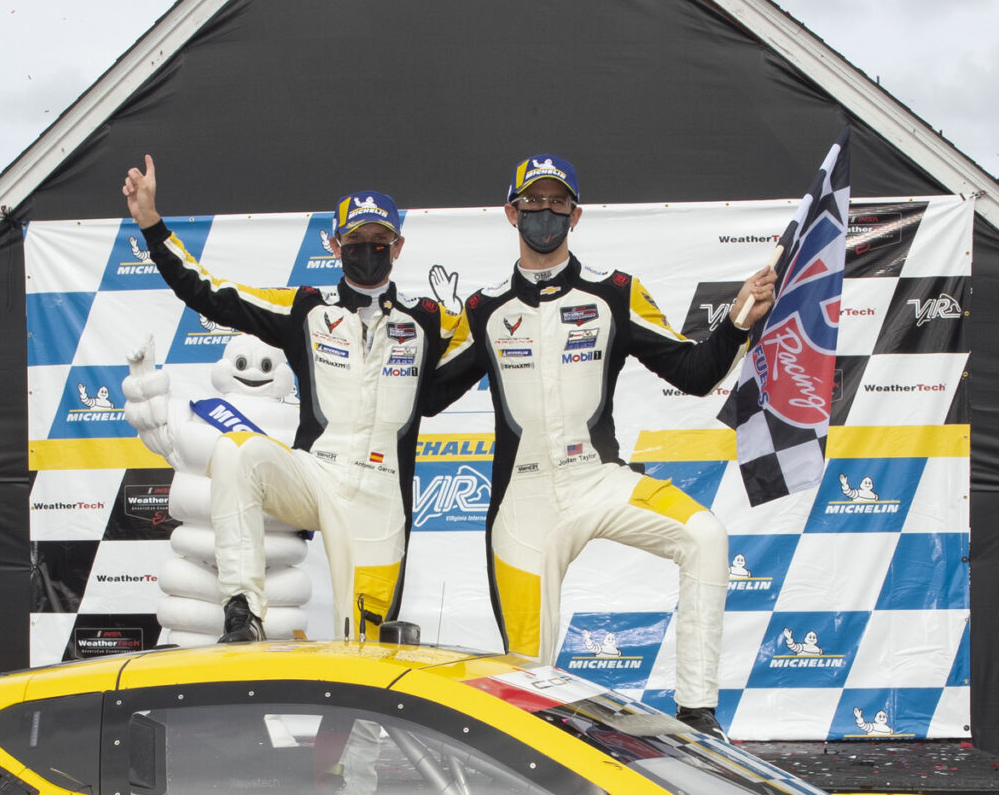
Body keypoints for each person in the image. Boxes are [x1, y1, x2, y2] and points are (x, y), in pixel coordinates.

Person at [424, 155, 777, 736]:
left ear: (576, 214)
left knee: (705, 536)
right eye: (533, 203)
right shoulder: (484, 308)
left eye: (557, 203)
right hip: (522, 504)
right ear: (511, 213)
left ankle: (697, 715)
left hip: (598, 479)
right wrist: (418, 330)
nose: (545, 213)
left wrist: (739, 321)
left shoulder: (615, 292)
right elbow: (430, 395)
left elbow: (692, 373)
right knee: (526, 683)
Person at [119, 156, 468, 643]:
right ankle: (243, 612)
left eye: (379, 241)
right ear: (335, 245)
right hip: (316, 474)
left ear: (398, 247)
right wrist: (152, 225)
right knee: (236, 450)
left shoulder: (429, 319)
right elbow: (209, 293)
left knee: (364, 643)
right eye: (355, 240)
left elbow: (488, 348)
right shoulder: (306, 309)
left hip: (381, 494)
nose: (367, 250)